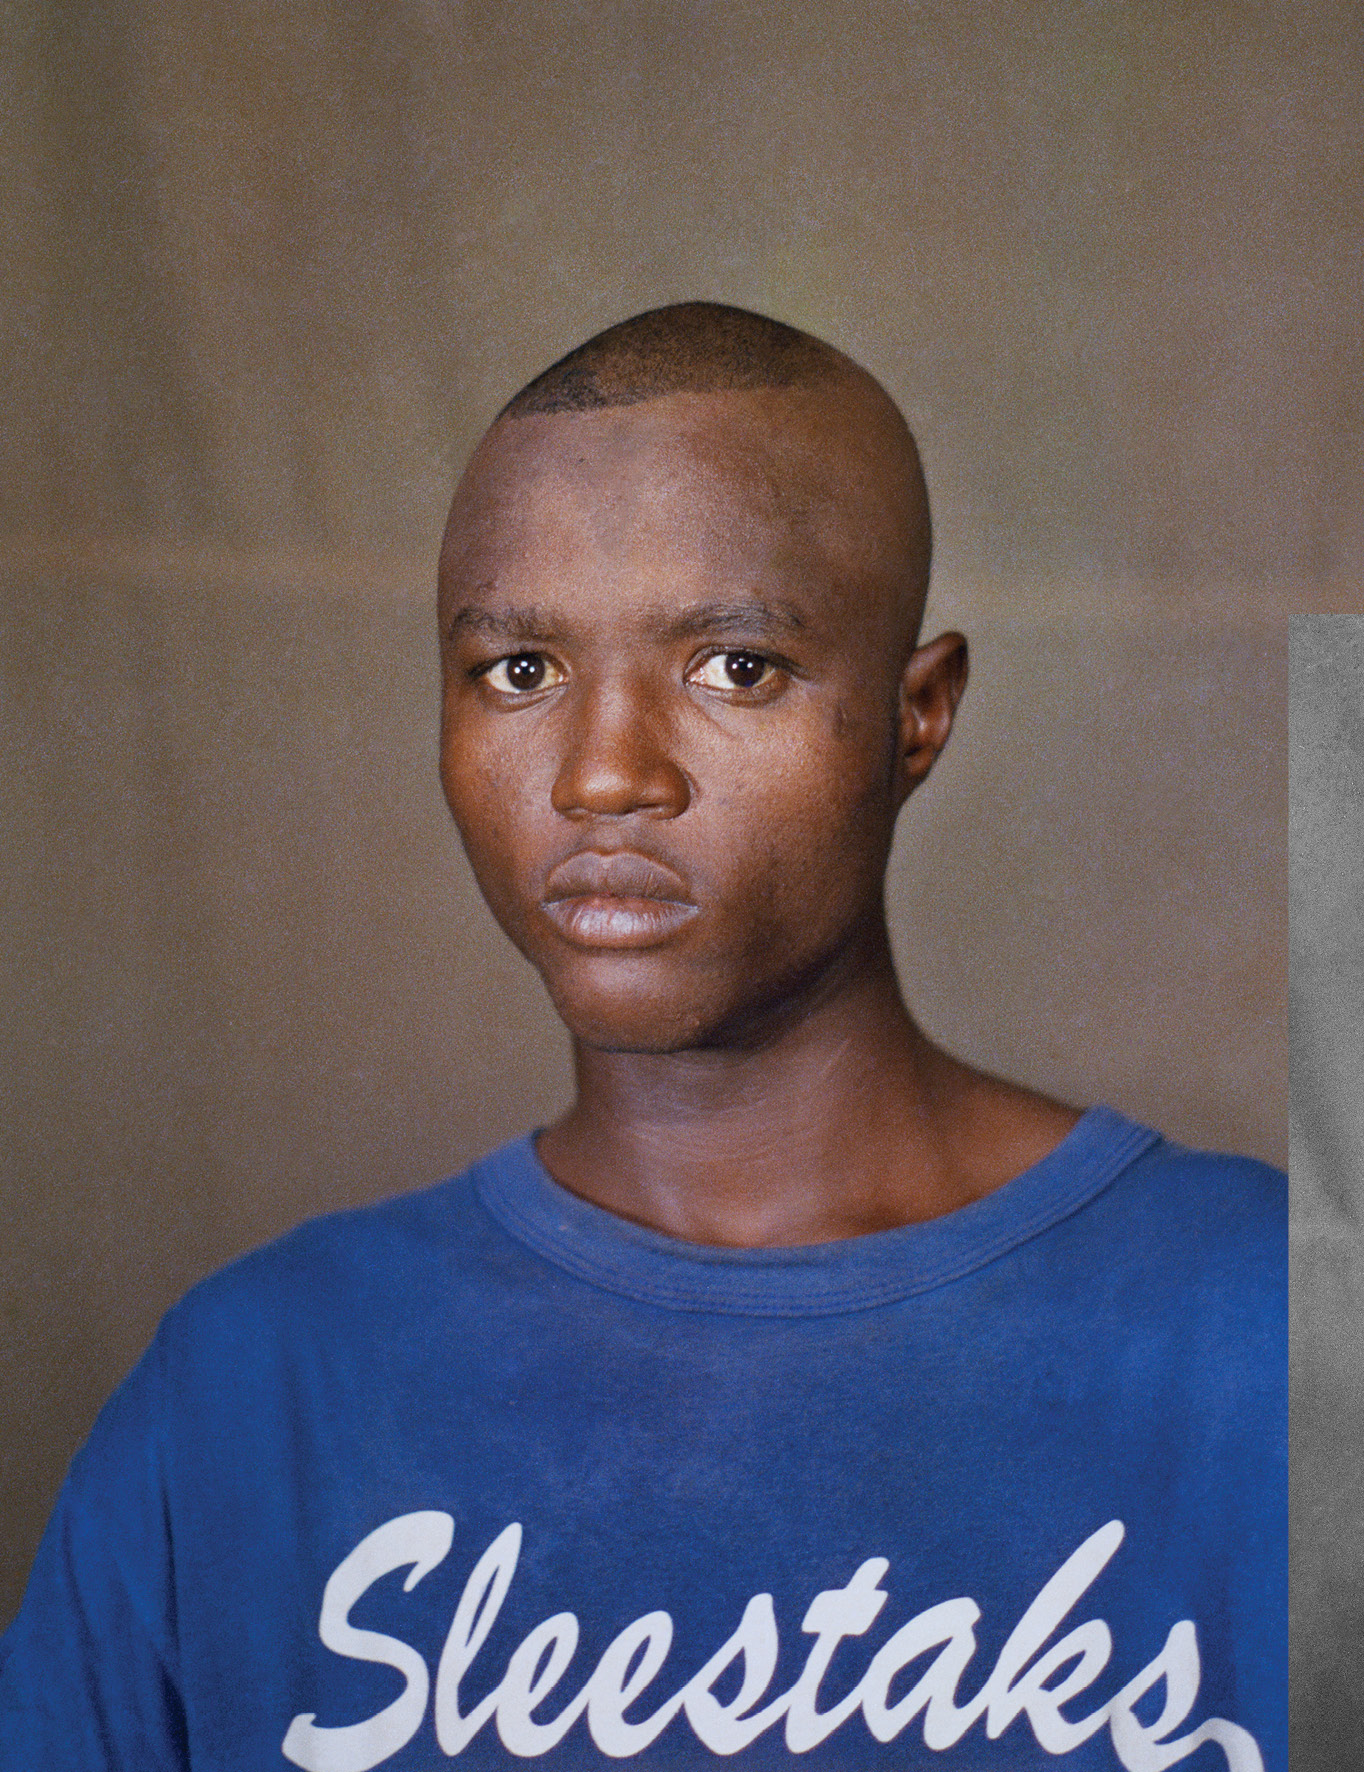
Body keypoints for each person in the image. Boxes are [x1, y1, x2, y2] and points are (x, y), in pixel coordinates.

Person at [0, 303, 1285, 1771]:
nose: (605, 776)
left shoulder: (1274, 1338)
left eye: (734, 667)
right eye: (519, 673)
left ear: (915, 715)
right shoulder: (252, 1395)